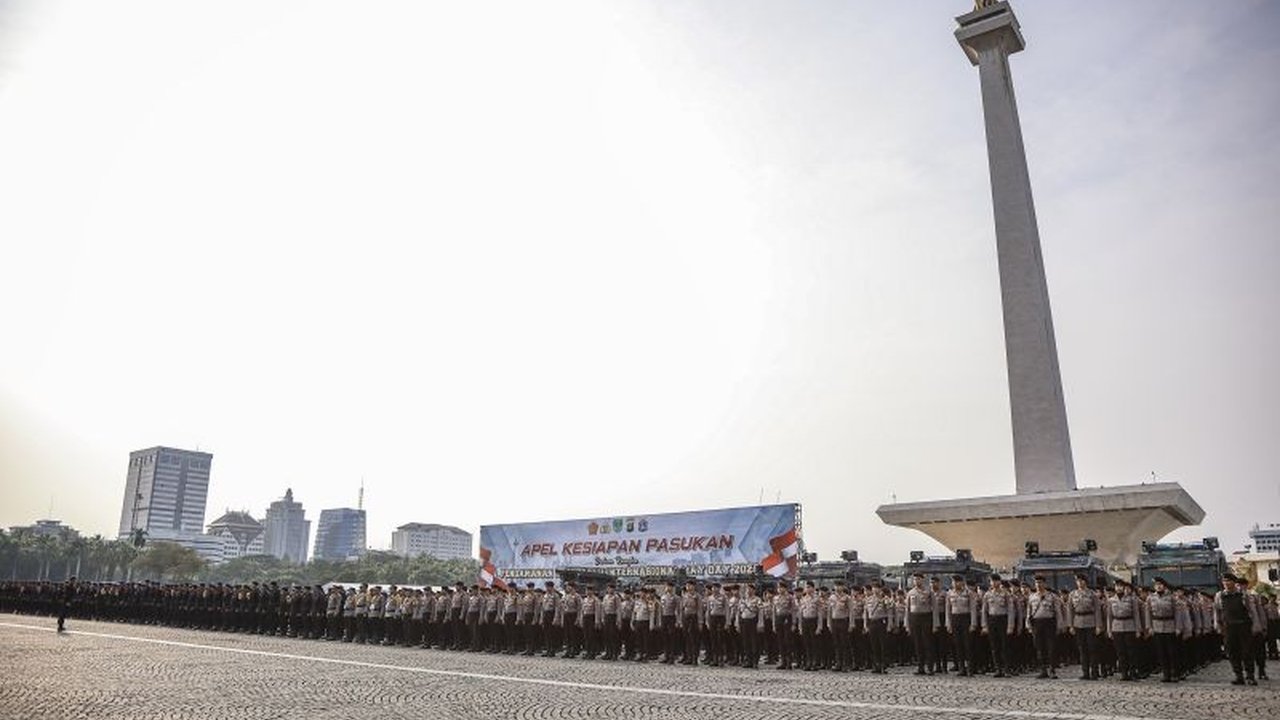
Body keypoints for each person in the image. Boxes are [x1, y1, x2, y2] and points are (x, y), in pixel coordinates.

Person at [1215, 574, 1259, 685]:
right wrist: (1217, 625)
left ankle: (1250, 676)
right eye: (1224, 581)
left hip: (1243, 626)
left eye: (1228, 581)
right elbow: (1217, 612)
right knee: (1232, 652)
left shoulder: (1244, 595)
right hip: (1229, 627)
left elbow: (1252, 611)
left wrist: (1256, 626)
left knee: (1247, 651)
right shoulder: (1219, 596)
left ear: (1234, 582)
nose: (1225, 583)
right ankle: (1238, 675)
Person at [1025, 575, 1065, 679]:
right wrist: (1028, 625)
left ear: (1045, 584)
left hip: (1049, 623)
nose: (1038, 585)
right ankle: (1043, 670)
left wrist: (1060, 625)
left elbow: (1058, 612)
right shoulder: (1032, 597)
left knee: (1051, 647)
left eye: (1040, 583)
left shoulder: (1052, 596)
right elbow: (1029, 612)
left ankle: (1052, 669)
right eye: (1036, 583)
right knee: (1039, 647)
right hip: (1037, 623)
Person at [1067, 573, 1102, 680]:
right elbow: (1070, 611)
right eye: (1078, 581)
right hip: (1078, 622)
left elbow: (1097, 610)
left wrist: (1098, 625)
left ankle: (1094, 672)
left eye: (1081, 580)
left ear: (1085, 582)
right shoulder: (1072, 594)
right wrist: (1071, 625)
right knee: (1082, 649)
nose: (1079, 583)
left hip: (1090, 622)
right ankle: (1085, 672)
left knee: (1092, 648)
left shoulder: (1092, 594)